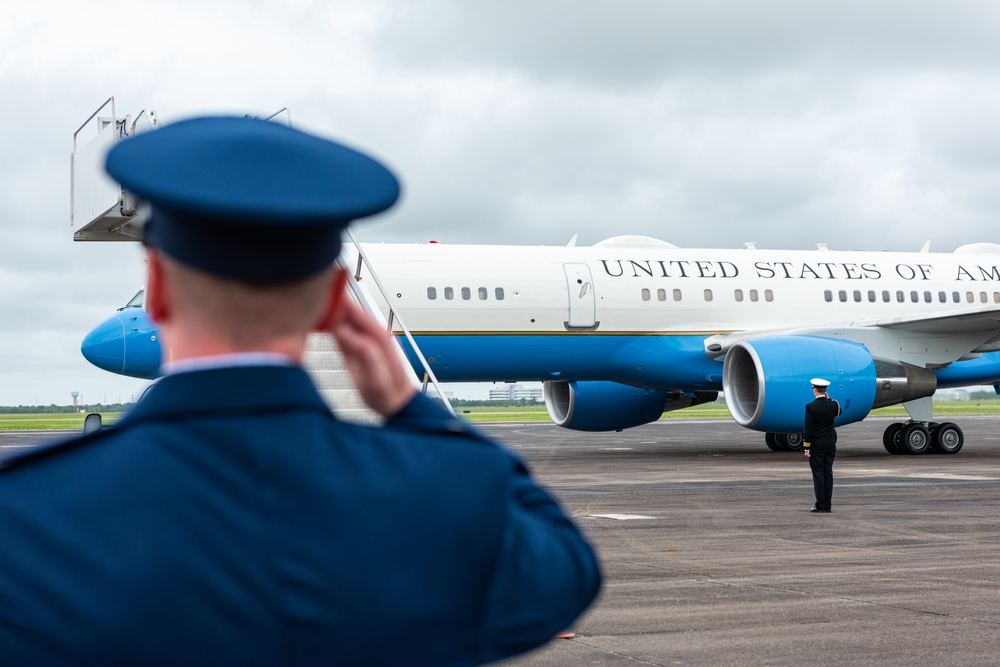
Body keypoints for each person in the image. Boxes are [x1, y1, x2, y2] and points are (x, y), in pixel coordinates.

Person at [0, 117, 601, 665]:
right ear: (333, 301)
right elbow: (568, 576)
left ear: (155, 289)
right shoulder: (448, 490)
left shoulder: (28, 515)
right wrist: (416, 413)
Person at [803, 377, 841, 513]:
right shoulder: (833, 405)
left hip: (816, 446)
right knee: (828, 474)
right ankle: (828, 506)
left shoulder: (811, 407)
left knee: (818, 474)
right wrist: (829, 399)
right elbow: (839, 411)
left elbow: (808, 429)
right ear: (825, 390)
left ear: (815, 390)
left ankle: (821, 505)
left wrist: (806, 447)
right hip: (830, 444)